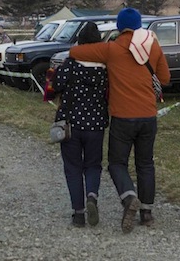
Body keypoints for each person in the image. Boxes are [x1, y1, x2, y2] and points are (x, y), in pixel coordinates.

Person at [68, 7, 170, 233]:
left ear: (119, 26)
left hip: (123, 117)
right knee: (145, 163)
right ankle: (146, 212)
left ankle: (128, 197)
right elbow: (164, 78)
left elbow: (76, 54)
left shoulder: (111, 49)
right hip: (148, 115)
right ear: (139, 25)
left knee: (117, 163)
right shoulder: (153, 46)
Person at [48, 22, 108, 228]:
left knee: (73, 168)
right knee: (93, 165)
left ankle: (79, 213)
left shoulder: (70, 64)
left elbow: (55, 85)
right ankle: (92, 195)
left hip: (71, 124)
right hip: (96, 124)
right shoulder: (104, 68)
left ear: (80, 42)